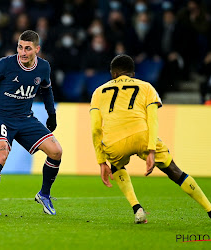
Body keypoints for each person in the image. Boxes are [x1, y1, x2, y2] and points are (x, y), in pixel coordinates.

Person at [90, 54, 211, 223]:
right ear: (132, 74)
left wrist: (101, 161)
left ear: (113, 74)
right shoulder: (146, 87)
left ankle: (137, 209)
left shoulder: (98, 92)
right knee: (174, 170)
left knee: (116, 166)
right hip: (142, 136)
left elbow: (96, 129)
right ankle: (209, 209)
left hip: (114, 142)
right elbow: (153, 121)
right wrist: (152, 150)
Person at [0, 30, 62, 216]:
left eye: (28, 48)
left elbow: (46, 90)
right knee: (1, 154)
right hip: (1, 118)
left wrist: (51, 114)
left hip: (25, 118)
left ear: (37, 49)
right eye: (20, 47)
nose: (23, 52)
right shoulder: (5, 64)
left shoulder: (44, 67)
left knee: (56, 151)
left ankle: (44, 194)